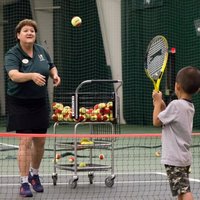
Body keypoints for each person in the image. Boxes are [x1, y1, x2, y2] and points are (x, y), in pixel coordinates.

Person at [4, 19, 61, 197]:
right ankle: (23, 182)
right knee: (25, 141)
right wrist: (31, 75)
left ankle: (34, 175)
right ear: (18, 35)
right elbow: (13, 75)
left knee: (40, 141)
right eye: (26, 30)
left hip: (39, 102)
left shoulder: (41, 51)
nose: (29, 33)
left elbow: (50, 66)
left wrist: (55, 75)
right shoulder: (12, 53)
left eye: (32, 31)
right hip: (19, 102)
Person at [152, 66, 200, 200]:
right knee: (182, 190)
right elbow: (169, 117)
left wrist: (156, 103)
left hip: (174, 159)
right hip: (183, 158)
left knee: (184, 191)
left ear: (177, 86)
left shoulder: (176, 105)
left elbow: (157, 121)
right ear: (197, 90)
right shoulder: (189, 106)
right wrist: (161, 104)